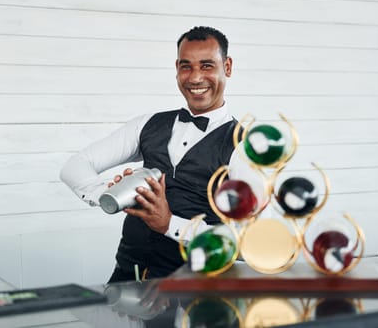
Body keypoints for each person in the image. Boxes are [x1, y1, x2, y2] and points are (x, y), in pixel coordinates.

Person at [60, 26, 242, 283]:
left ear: (228, 67)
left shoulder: (244, 146)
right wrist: (107, 194)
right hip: (125, 279)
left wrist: (169, 224)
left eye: (207, 65)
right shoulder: (148, 124)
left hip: (192, 293)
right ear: (177, 68)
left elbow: (246, 240)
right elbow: (75, 165)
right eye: (186, 66)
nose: (195, 77)